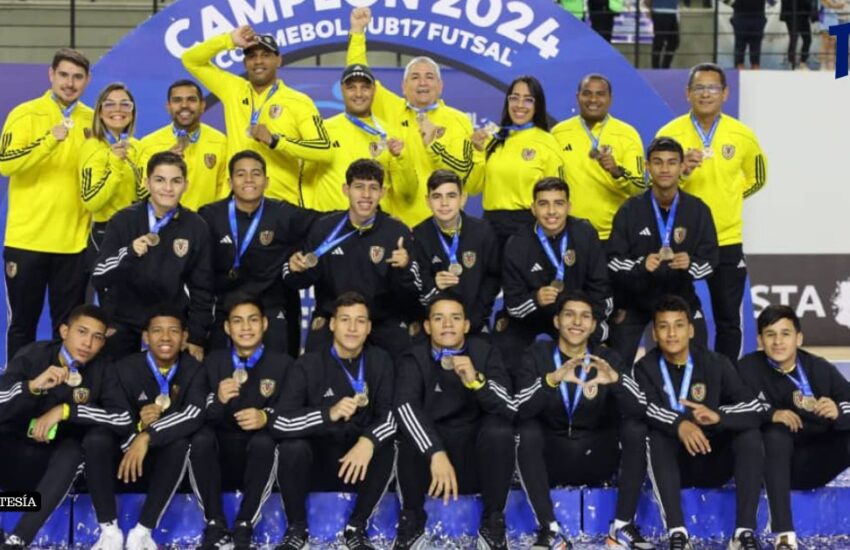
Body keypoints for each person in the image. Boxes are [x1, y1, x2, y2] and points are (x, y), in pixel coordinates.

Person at [514, 291, 653, 550]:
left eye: (585, 316)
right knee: (526, 429)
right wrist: (550, 380)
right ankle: (549, 529)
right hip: (551, 458)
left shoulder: (607, 359)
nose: (577, 322)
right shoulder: (537, 355)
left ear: (593, 325)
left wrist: (617, 381)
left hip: (597, 458)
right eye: (569, 314)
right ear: (557, 321)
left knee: (636, 428)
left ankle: (622, 526)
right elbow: (519, 408)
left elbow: (640, 408)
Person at [656, 63, 768, 363]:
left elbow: (758, 177)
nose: (706, 94)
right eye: (699, 88)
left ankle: (728, 380)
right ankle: (682, 373)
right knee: (675, 313)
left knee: (728, 319)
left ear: (725, 93)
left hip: (726, 237)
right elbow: (655, 181)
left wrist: (730, 198)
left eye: (713, 88)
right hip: (680, 238)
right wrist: (682, 172)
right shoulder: (670, 134)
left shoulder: (741, 135)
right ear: (687, 93)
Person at [634, 295, 765, 550]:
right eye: (664, 326)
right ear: (654, 332)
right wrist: (680, 425)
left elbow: (753, 407)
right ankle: (677, 533)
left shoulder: (716, 363)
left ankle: (743, 532)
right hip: (673, 467)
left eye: (679, 325)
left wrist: (720, 417)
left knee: (749, 434)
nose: (672, 333)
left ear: (691, 329)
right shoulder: (645, 368)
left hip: (714, 460)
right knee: (654, 436)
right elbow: (645, 409)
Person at [270, 292, 395, 550]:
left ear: (369, 327)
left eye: (360, 321)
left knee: (389, 447)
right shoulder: (308, 364)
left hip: (360, 464)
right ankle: (297, 528)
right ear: (332, 324)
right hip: (318, 463)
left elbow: (391, 416)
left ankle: (356, 527)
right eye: (345, 320)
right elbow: (279, 423)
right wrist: (328, 413)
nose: (352, 328)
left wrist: (368, 442)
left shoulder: (380, 360)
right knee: (291, 448)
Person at [0, 305, 130, 549]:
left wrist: (67, 411)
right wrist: (32, 387)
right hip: (16, 457)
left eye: (97, 337)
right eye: (82, 332)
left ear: (103, 343)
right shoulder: (34, 355)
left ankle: (18, 540)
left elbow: (123, 418)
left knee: (74, 449)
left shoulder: (105, 368)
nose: (88, 343)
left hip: (58, 469)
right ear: (63, 331)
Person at [393, 294, 516, 550]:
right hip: (432, 467)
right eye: (439, 318)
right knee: (408, 435)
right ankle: (412, 523)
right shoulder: (412, 358)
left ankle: (492, 523)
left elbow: (508, 406)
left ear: (466, 326)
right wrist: (435, 452)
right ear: (428, 326)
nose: (447, 324)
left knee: (499, 430)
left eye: (455, 317)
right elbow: (404, 408)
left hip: (474, 461)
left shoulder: (485, 352)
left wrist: (476, 381)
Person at [82, 305, 206, 550]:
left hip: (165, 464)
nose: (166, 337)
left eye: (173, 331)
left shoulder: (195, 369)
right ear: (145, 337)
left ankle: (143, 531)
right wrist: (138, 430)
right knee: (97, 438)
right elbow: (116, 415)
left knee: (181, 443)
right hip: (123, 463)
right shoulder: (123, 368)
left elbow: (194, 414)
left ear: (184, 337)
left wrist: (148, 436)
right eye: (157, 331)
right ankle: (109, 530)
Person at [0, 49, 93, 360]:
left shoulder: (92, 120)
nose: (70, 83)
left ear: (87, 81)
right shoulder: (26, 113)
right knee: (21, 326)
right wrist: (48, 141)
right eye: (64, 75)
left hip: (72, 244)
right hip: (27, 241)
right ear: (51, 75)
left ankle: (62, 391)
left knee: (68, 327)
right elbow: (5, 164)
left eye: (77, 77)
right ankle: (15, 394)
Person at [347, 7, 474, 227]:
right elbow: (360, 74)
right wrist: (357, 32)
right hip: (398, 223)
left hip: (443, 224)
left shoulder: (458, 120)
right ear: (404, 87)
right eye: (415, 77)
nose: (422, 83)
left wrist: (433, 144)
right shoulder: (392, 108)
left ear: (440, 85)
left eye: (429, 77)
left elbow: (463, 173)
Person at [738, 306, 850, 550]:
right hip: (767, 468)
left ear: (799, 338)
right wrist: (771, 414)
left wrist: (839, 411)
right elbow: (734, 411)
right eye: (770, 334)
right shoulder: (747, 368)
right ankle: (784, 535)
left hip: (811, 465)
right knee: (774, 433)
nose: (778, 341)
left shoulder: (818, 368)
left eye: (785, 334)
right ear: (760, 340)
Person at [283, 159, 420, 358]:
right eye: (359, 187)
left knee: (403, 359)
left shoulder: (396, 232)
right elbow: (300, 280)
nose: (366, 195)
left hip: (381, 321)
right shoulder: (324, 228)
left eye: (373, 188)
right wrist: (295, 270)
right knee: (312, 364)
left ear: (382, 193)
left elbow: (412, 293)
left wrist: (404, 268)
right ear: (346, 189)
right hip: (334, 320)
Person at [182, 26, 330, 204]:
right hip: (235, 203)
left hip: (279, 205)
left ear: (279, 60)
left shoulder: (299, 101)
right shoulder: (233, 89)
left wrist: (276, 141)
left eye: (266, 55)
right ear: (245, 63)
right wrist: (228, 40)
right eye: (252, 56)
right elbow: (190, 60)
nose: (258, 61)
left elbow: (324, 150)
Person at [190, 295, 292, 550]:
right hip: (220, 456)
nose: (246, 328)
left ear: (265, 324)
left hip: (259, 457)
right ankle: (215, 523)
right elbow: (196, 412)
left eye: (252, 320)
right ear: (227, 328)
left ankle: (245, 523)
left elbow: (292, 413)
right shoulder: (212, 362)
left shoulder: (284, 364)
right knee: (199, 439)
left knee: (265, 441)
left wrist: (265, 417)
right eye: (238, 321)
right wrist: (219, 400)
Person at [606, 137, 719, 365]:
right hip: (634, 300)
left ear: (681, 167)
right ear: (647, 167)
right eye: (658, 162)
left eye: (671, 162)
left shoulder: (698, 210)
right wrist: (640, 265)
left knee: (699, 360)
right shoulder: (630, 210)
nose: (665, 169)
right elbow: (612, 261)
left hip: (681, 299)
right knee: (616, 362)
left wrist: (691, 265)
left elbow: (711, 261)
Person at [91, 151, 213, 360]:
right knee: (115, 383)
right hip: (123, 320)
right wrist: (128, 252)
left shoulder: (196, 226)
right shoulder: (123, 220)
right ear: (147, 183)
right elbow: (99, 275)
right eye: (160, 180)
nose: (167, 188)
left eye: (175, 181)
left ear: (186, 185)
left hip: (170, 323)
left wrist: (196, 337)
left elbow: (202, 288)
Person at [199, 151, 317, 356]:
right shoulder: (210, 215)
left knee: (278, 373)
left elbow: (325, 223)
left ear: (266, 181)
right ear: (230, 181)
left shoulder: (283, 213)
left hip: (271, 307)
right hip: (224, 308)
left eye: (256, 174)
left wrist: (301, 253)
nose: (249, 180)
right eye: (241, 174)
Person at [499, 177, 611, 368]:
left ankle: (586, 394)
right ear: (533, 208)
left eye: (558, 204)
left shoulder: (585, 233)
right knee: (507, 345)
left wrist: (588, 319)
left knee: (601, 338)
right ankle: (520, 394)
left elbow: (601, 289)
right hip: (531, 318)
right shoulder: (516, 244)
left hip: (575, 315)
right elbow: (513, 305)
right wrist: (536, 299)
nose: (551, 211)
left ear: (569, 206)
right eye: (543, 204)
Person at [300, 64, 417, 213]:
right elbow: (304, 181)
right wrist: (312, 219)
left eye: (365, 87)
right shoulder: (323, 130)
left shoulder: (391, 134)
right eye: (351, 88)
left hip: (374, 229)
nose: (359, 94)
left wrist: (402, 158)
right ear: (342, 90)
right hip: (330, 229)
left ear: (374, 90)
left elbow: (408, 193)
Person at [466, 75, 566, 249]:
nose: (520, 105)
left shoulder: (547, 142)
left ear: (537, 105)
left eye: (528, 100)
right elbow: (473, 188)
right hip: (491, 227)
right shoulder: (494, 138)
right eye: (514, 98)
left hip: (529, 228)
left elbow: (557, 196)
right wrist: (477, 152)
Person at [551, 74, 646, 243]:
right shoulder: (559, 133)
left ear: (610, 99)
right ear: (577, 97)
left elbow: (639, 188)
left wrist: (617, 172)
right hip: (570, 233)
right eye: (587, 93)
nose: (593, 99)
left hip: (615, 234)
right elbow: (550, 184)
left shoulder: (627, 135)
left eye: (600, 94)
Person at [412, 169, 501, 335]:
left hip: (474, 321)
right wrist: (433, 284)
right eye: (437, 196)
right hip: (434, 327)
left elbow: (493, 277)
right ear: (428, 201)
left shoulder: (482, 231)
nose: (444, 203)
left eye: (451, 196)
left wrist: (475, 317)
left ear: (463, 198)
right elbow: (415, 285)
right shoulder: (418, 236)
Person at [79, 82, 144, 269]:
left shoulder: (136, 147)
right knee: (113, 298)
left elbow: (142, 195)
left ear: (132, 112)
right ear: (99, 112)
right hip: (106, 234)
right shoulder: (92, 147)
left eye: (125, 104)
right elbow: (91, 201)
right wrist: (115, 163)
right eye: (109, 104)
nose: (118, 109)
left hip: (137, 233)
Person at [138, 79, 229, 211]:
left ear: (202, 105)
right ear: (168, 106)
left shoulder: (220, 141)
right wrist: (162, 163)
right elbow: (141, 193)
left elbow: (224, 189)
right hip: (162, 226)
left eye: (191, 100)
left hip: (205, 225)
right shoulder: (149, 144)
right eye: (177, 100)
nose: (184, 105)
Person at [730, 0, 771, 69]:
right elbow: (772, 3)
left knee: (746, 49)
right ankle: (739, 74)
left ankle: (747, 73)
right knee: (744, 49)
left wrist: (734, 5)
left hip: (751, 17)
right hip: (748, 16)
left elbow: (772, 3)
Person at [780, 0, 818, 69]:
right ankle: (793, 63)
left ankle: (800, 62)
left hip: (800, 15)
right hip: (793, 14)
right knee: (795, 39)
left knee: (805, 39)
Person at [646, 0, 680, 68]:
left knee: (674, 42)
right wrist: (650, 8)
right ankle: (656, 68)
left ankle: (665, 67)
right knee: (659, 42)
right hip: (660, 12)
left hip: (672, 12)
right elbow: (646, 1)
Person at [819, 0, 846, 71]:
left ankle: (831, 65)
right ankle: (823, 65)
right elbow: (828, 4)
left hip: (834, 18)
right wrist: (838, 5)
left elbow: (840, 5)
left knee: (832, 43)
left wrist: (839, 5)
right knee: (825, 42)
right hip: (825, 18)